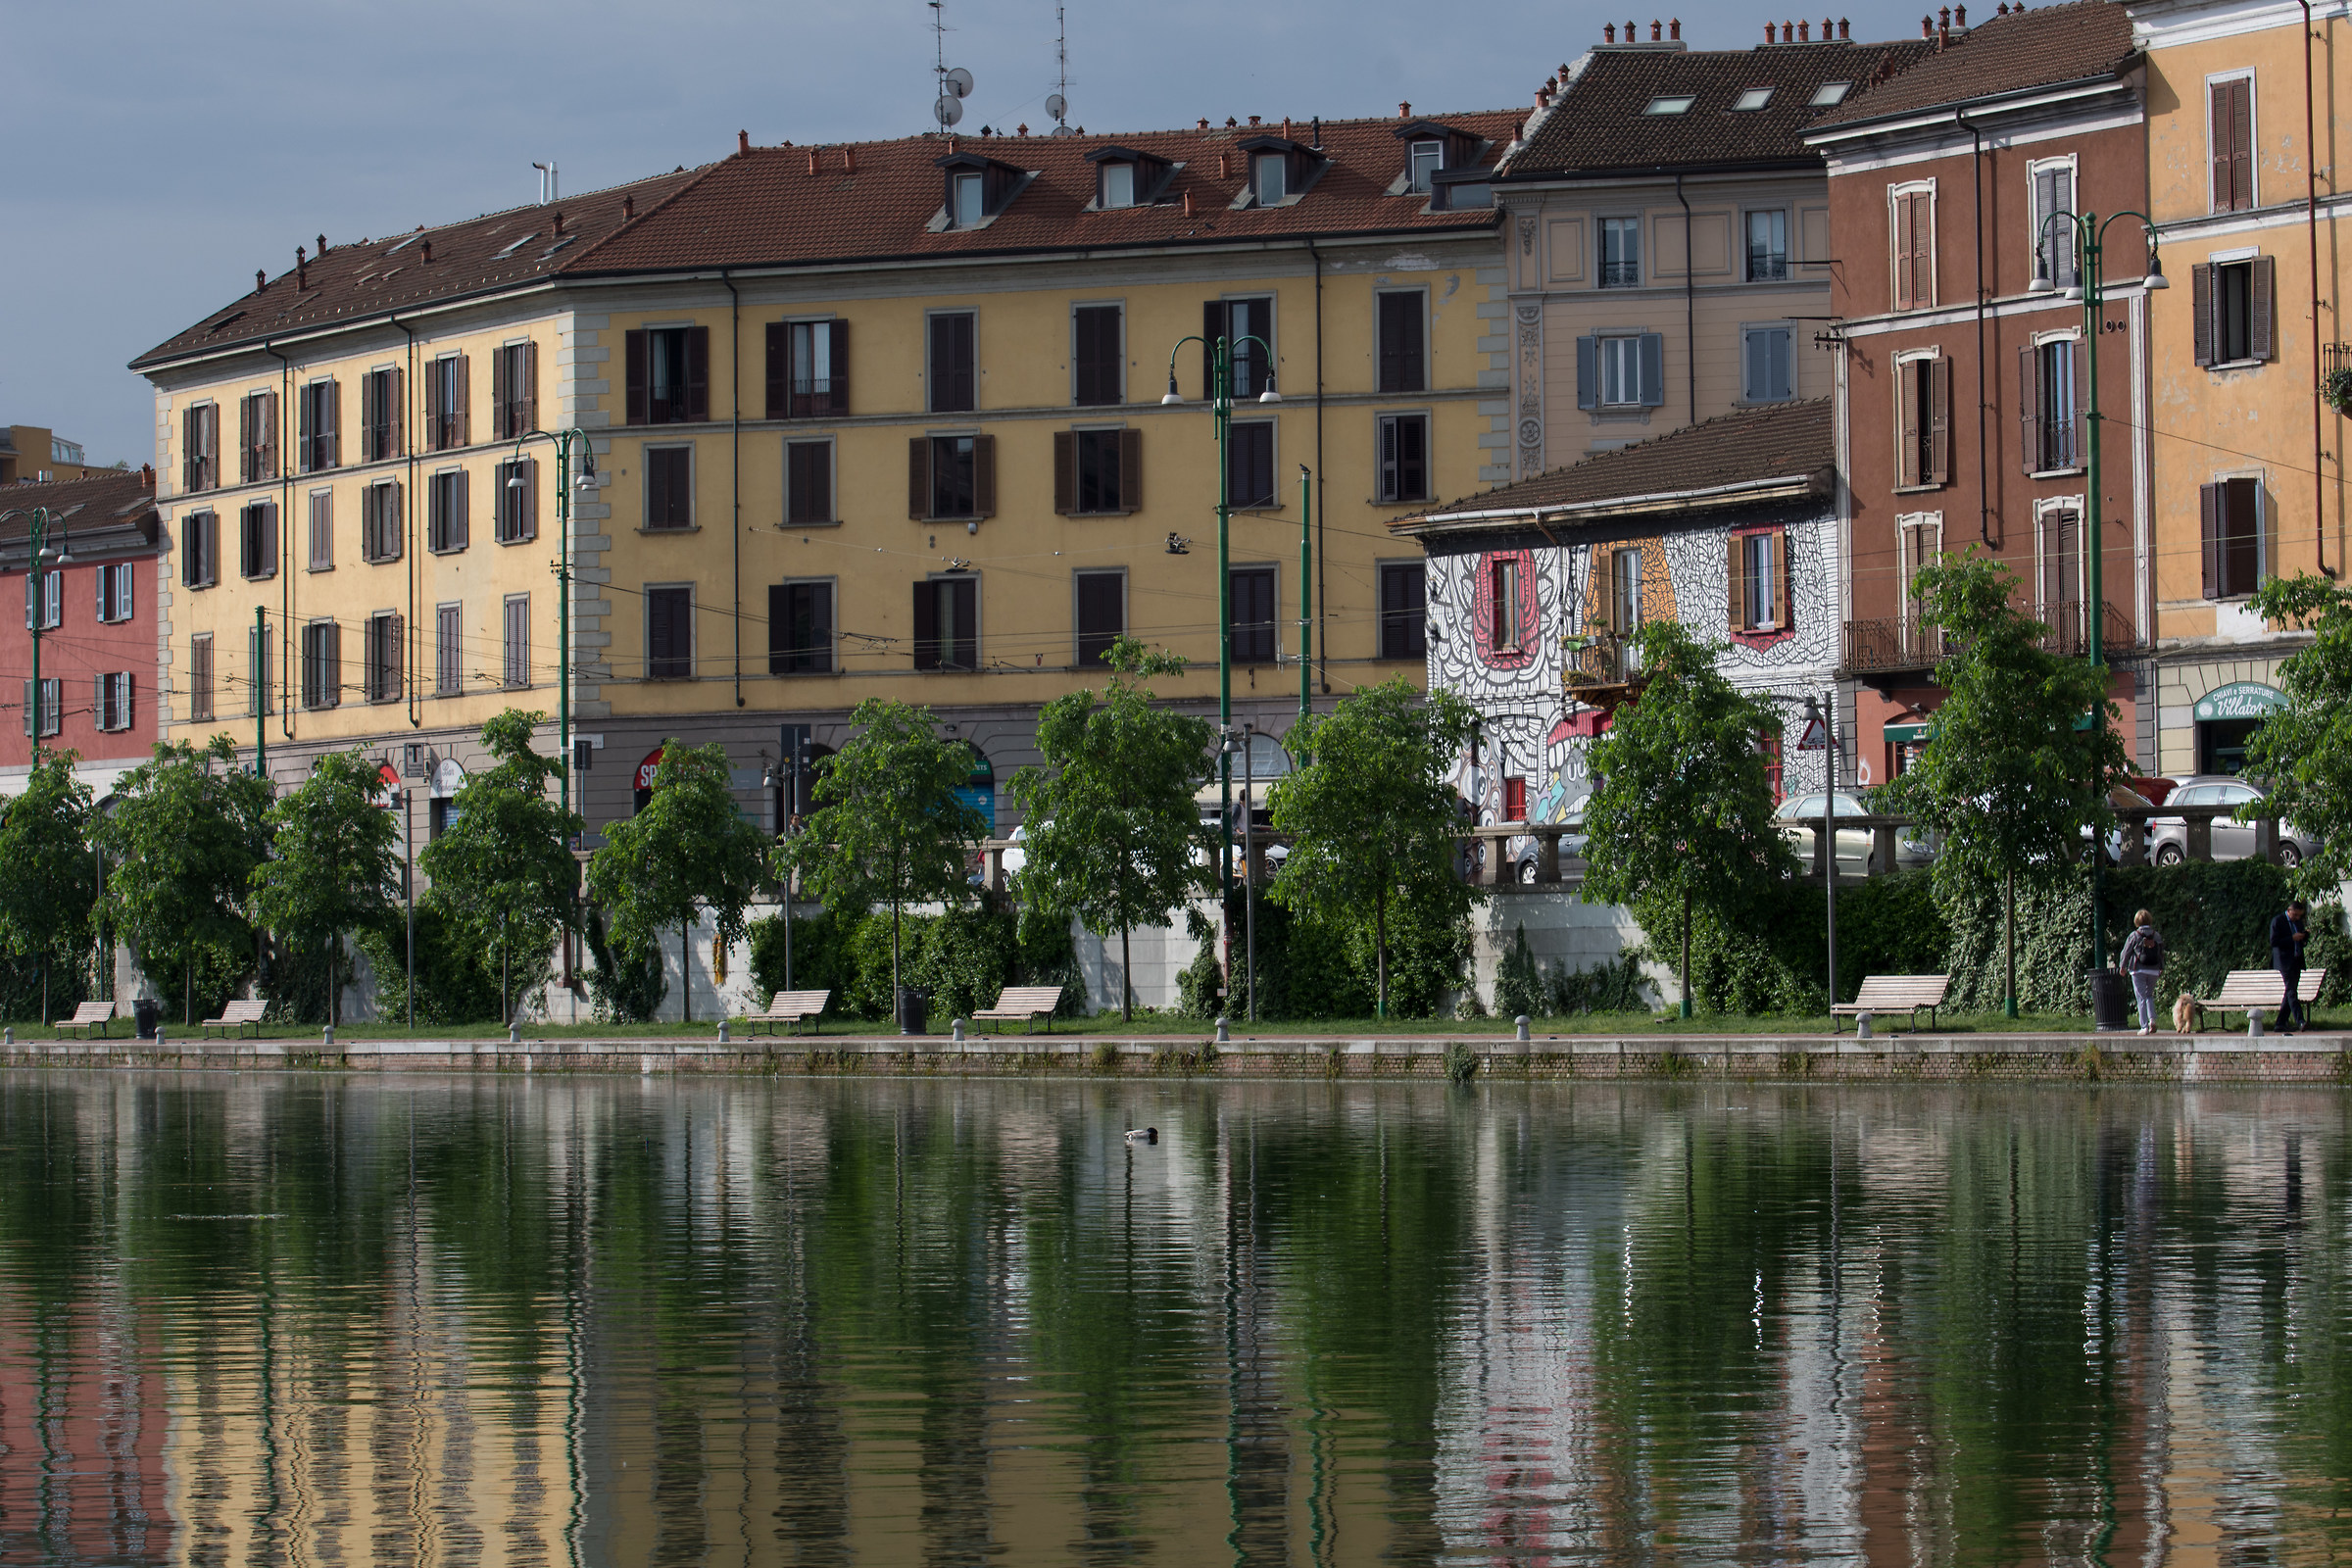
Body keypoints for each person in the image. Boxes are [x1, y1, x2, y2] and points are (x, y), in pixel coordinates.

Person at [2117, 908, 2166, 1035]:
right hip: (2154, 970)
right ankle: (2152, 1020)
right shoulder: (2156, 935)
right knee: (2149, 995)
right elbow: (2161, 953)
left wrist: (2122, 966)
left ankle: (2144, 1026)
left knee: (2141, 997)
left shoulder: (2134, 935)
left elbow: (2126, 952)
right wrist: (2161, 967)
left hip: (2138, 969)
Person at [2270, 899, 2311, 1032]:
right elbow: (2274, 942)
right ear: (2289, 911)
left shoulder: (2298, 923)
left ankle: (2280, 1023)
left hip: (2296, 960)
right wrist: (2292, 938)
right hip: (2284, 961)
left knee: (2289, 991)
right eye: (2295, 915)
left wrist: (2304, 936)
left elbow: (2301, 941)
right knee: (2292, 991)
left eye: (2299, 915)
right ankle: (2300, 1021)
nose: (2297, 918)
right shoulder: (2278, 921)